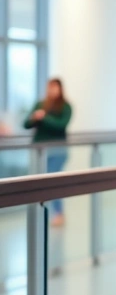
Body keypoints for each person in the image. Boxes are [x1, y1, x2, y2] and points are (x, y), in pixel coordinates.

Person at [23, 78, 72, 227]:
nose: (52, 90)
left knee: (53, 180)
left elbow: (61, 125)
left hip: (58, 150)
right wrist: (34, 118)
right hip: (39, 150)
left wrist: (45, 118)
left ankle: (58, 212)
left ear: (60, 89)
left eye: (55, 87)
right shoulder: (40, 104)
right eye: (50, 87)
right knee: (38, 180)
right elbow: (26, 124)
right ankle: (41, 211)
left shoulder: (65, 107)